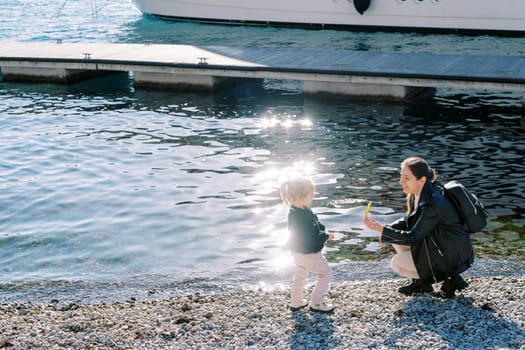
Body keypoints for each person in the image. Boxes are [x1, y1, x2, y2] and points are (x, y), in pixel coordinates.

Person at [364, 157, 474, 298]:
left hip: (454, 257)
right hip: (448, 248)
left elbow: (413, 237)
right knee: (394, 238)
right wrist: (386, 229)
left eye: (406, 178)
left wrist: (381, 230)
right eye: (401, 176)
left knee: (397, 263)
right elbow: (410, 220)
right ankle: (424, 284)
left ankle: (448, 277)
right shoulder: (424, 192)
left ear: (421, 180)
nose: (401, 181)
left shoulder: (433, 203)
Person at [280, 175, 335, 312]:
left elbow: (314, 224)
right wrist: (326, 236)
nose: (312, 198)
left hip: (297, 252)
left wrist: (321, 228)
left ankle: (296, 301)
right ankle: (317, 303)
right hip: (310, 254)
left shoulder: (295, 211)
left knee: (300, 275)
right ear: (301, 196)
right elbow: (312, 238)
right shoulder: (304, 214)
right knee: (325, 274)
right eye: (311, 196)